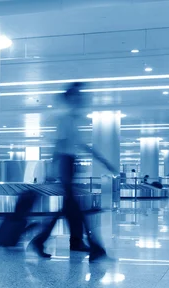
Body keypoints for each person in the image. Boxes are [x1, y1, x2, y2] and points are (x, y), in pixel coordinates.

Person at [30, 82, 117, 261]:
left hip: (70, 163)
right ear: (69, 98)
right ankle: (92, 246)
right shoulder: (65, 119)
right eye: (77, 96)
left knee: (69, 207)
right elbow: (58, 145)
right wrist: (52, 170)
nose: (82, 99)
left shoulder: (73, 120)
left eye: (81, 96)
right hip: (64, 163)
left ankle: (64, 241)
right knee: (73, 206)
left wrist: (103, 160)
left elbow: (81, 145)